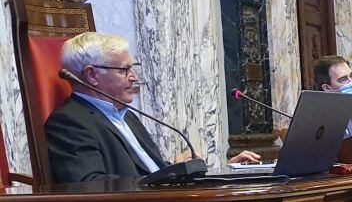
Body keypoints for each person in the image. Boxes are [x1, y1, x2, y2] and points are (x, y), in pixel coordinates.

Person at [46, 32, 259, 183]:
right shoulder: (69, 123)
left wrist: (192, 170)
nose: (134, 77)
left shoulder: (126, 116)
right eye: (124, 70)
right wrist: (169, 176)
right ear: (92, 75)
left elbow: (148, 171)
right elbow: (92, 185)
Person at [312, 55, 352, 138]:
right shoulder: (319, 120)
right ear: (327, 88)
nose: (351, 83)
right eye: (343, 79)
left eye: (350, 76)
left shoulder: (346, 107)